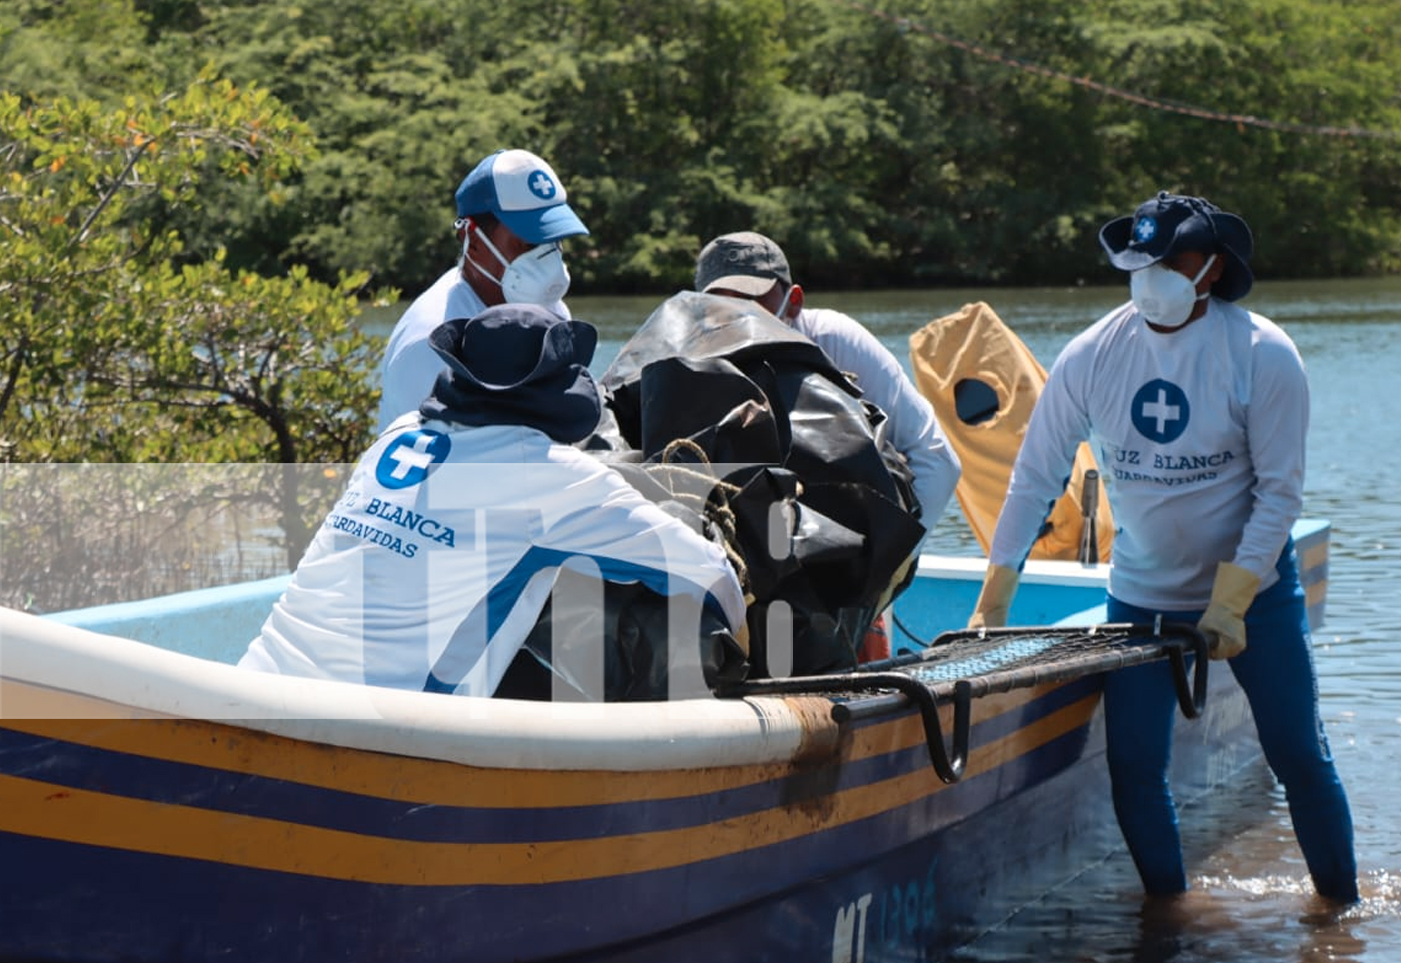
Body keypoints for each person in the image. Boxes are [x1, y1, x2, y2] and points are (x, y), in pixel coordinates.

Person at [968, 191, 1359, 904]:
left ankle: (1342, 914)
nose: (1152, 274)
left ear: (1211, 269)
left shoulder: (1263, 353)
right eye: (1140, 260)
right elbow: (1033, 478)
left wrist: (1232, 600)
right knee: (1135, 769)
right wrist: (995, 597)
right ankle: (1171, 916)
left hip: (1256, 599)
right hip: (1139, 600)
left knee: (1299, 757)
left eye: (1171, 260)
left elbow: (1279, 494)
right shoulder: (1092, 354)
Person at [242, 303, 747, 698]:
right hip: (379, 731)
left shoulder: (396, 435)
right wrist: (743, 651)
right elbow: (708, 574)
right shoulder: (546, 474)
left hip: (256, 683)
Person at [693, 231, 961, 535]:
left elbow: (936, 459)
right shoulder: (687, 359)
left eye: (752, 300)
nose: (736, 316)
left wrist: (892, 563)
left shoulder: (835, 340)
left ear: (793, 302)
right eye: (718, 304)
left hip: (849, 530)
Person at [377, 149, 589, 431]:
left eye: (555, 241)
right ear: (471, 239)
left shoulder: (546, 307)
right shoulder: (430, 343)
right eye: (529, 244)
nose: (549, 260)